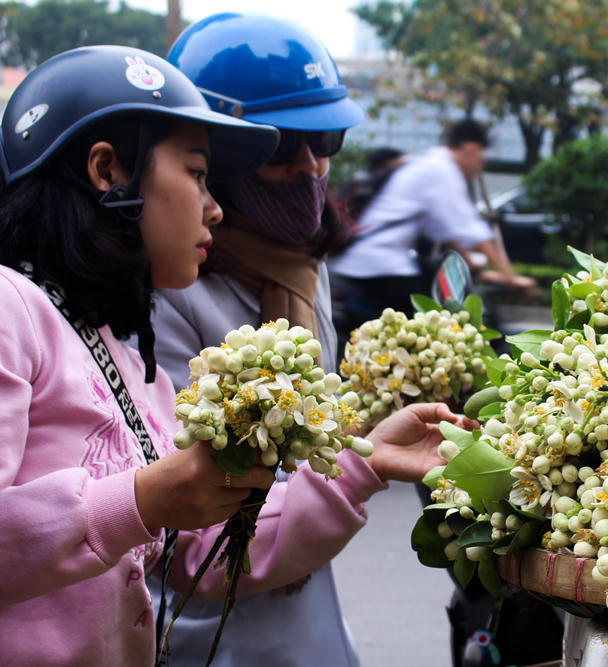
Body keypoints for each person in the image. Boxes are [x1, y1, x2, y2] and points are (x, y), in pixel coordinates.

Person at [147, 14, 467, 666]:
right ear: (217, 161)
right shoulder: (162, 296)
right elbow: (192, 514)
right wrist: (363, 464)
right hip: (205, 615)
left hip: (302, 601)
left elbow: (310, 438)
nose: (311, 165)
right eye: (282, 146)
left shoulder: (299, 267)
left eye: (325, 138)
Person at [0, 44, 276, 665]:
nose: (215, 207)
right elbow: (136, 506)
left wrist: (367, 467)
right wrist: (139, 501)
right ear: (108, 170)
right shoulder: (9, 305)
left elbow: (197, 560)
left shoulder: (123, 357)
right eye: (197, 173)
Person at [327, 119, 536, 345]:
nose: (479, 168)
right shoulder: (441, 170)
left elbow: (448, 233)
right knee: (440, 330)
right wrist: (511, 277)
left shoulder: (427, 164)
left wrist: (473, 267)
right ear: (471, 148)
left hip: (366, 262)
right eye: (481, 160)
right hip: (381, 266)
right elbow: (474, 232)